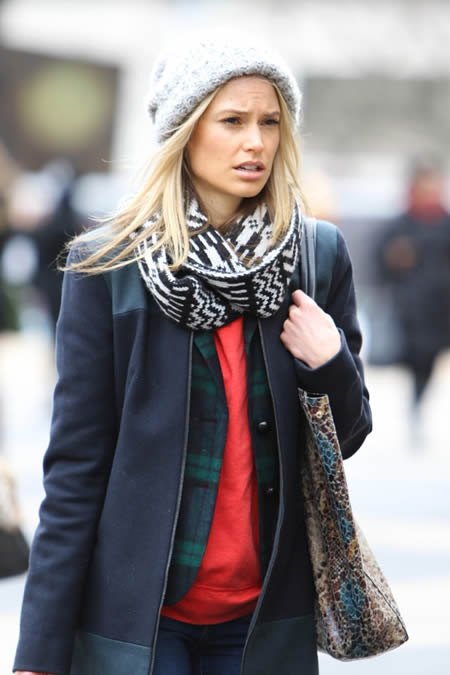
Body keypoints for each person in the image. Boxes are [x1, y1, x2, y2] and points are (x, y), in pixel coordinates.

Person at [13, 36, 372, 675]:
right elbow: (76, 467)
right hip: (139, 618)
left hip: (265, 616)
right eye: (232, 121)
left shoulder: (315, 257)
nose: (255, 142)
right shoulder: (108, 267)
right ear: (184, 131)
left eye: (269, 122)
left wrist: (330, 363)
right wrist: (38, 652)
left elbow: (347, 436)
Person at [377, 159, 450, 416]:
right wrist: (394, 259)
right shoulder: (399, 225)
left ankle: (418, 404)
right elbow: (380, 264)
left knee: (428, 361)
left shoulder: (445, 223)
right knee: (414, 361)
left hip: (440, 312)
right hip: (409, 312)